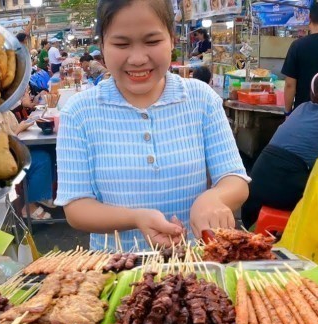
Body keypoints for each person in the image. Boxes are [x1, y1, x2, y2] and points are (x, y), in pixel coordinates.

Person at [55, 0, 250, 251]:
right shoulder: (79, 112)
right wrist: (135, 218)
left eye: (152, 41)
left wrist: (214, 197)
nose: (137, 59)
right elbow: (76, 208)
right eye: (121, 44)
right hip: (117, 269)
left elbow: (234, 179)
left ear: (171, 39)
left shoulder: (201, 99)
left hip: (196, 264)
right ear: (102, 45)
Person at [242, 65, 318, 228]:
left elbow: (299, 147)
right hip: (283, 189)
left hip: (253, 195)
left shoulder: (301, 108)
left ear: (312, 92)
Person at [0, 112, 55, 220]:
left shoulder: (6, 112)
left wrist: (24, 126)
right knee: (42, 159)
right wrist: (19, 129)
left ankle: (42, 192)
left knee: (50, 150)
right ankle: (29, 207)